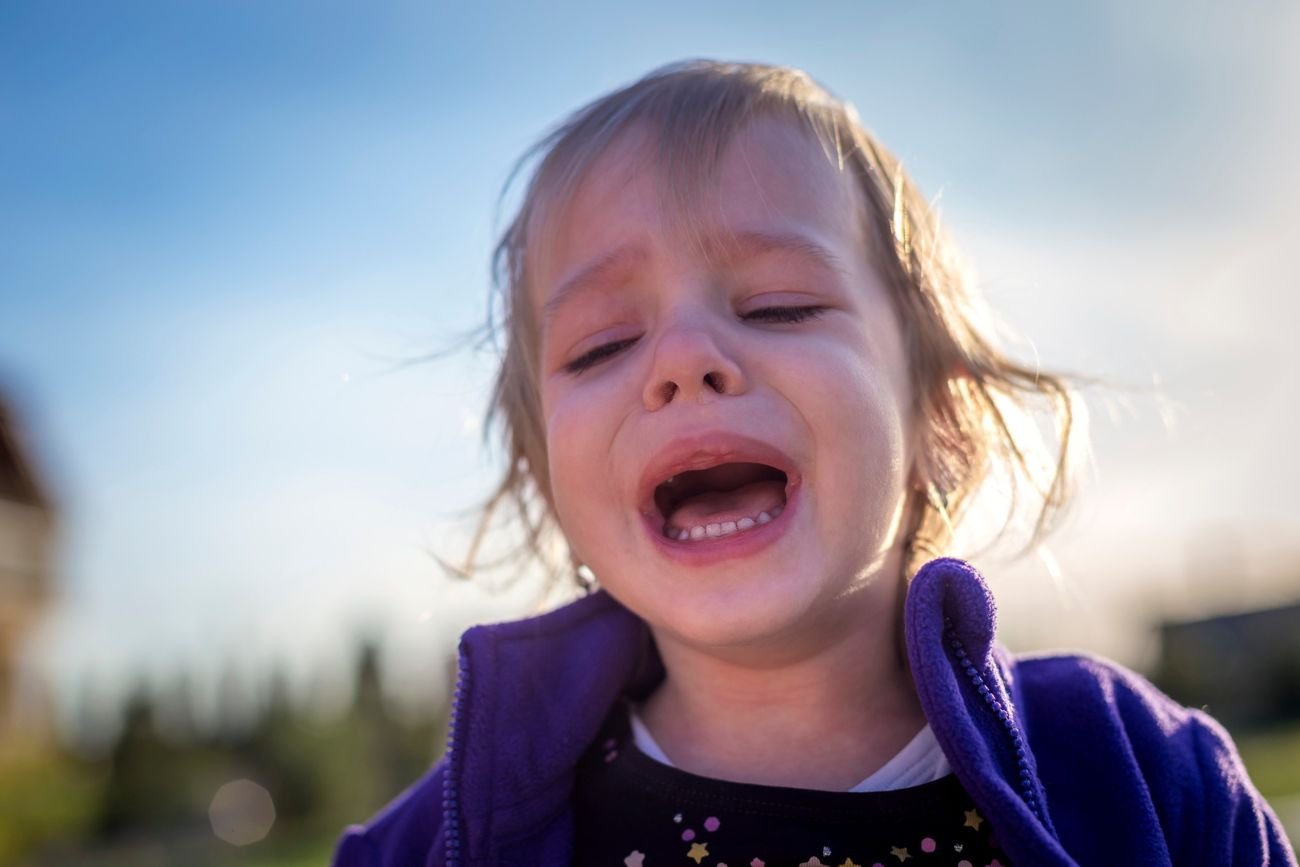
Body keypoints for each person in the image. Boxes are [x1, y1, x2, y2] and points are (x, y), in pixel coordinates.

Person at [331, 60, 1295, 866]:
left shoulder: (1136, 771)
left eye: (779, 306)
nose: (681, 362)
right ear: (551, 482)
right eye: (601, 345)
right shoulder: (441, 840)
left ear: (941, 418)